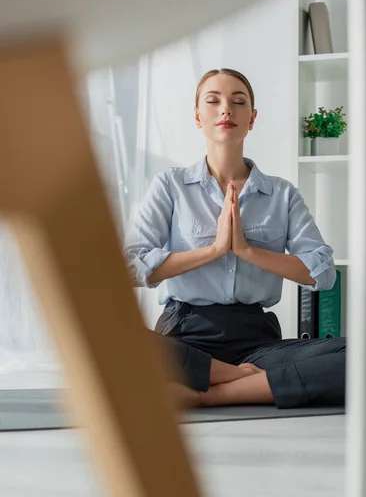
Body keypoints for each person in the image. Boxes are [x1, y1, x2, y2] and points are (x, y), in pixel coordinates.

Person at [124, 68, 346, 409]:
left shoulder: (282, 194)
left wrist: (245, 250)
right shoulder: (170, 185)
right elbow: (130, 267)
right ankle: (246, 381)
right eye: (213, 101)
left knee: (361, 356)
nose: (226, 109)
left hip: (257, 341)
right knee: (110, 336)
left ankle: (212, 393)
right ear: (198, 117)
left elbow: (323, 273)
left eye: (238, 101)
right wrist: (214, 250)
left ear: (252, 118)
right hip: (184, 336)